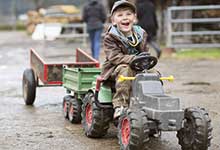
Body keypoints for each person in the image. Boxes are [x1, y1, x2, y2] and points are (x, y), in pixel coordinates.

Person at [100, 0, 150, 119]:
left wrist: (146, 61)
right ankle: (120, 105)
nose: (125, 18)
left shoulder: (141, 34)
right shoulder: (110, 37)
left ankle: (150, 102)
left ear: (135, 18)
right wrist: (134, 58)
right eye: (120, 15)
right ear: (113, 20)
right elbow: (114, 57)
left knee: (153, 74)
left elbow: (145, 52)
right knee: (125, 70)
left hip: (138, 65)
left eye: (128, 14)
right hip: (115, 68)